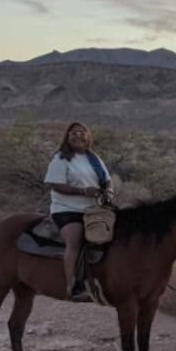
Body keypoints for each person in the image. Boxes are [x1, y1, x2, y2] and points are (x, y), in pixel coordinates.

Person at [43, 122, 111, 301]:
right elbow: (55, 184)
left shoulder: (93, 158)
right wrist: (82, 191)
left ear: (88, 137)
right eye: (74, 133)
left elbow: (107, 179)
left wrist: (108, 192)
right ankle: (72, 285)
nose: (78, 136)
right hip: (67, 208)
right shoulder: (61, 158)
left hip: (93, 209)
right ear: (67, 136)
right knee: (75, 240)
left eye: (82, 133)